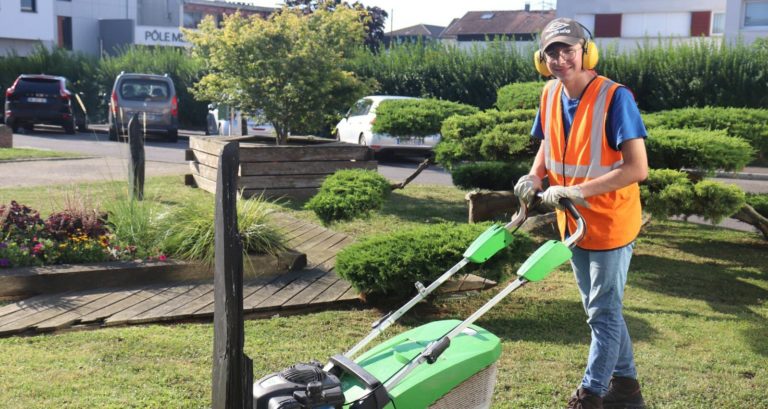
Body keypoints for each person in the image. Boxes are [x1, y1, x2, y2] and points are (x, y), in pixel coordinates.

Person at [514, 18, 649, 409]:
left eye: (568, 50)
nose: (560, 59)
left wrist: (575, 190)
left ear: (586, 52)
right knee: (600, 310)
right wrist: (534, 176)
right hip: (572, 223)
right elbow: (548, 143)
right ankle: (627, 390)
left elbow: (637, 168)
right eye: (552, 52)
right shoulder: (549, 93)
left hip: (610, 222)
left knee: (602, 313)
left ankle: (590, 394)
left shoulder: (615, 97)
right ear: (542, 59)